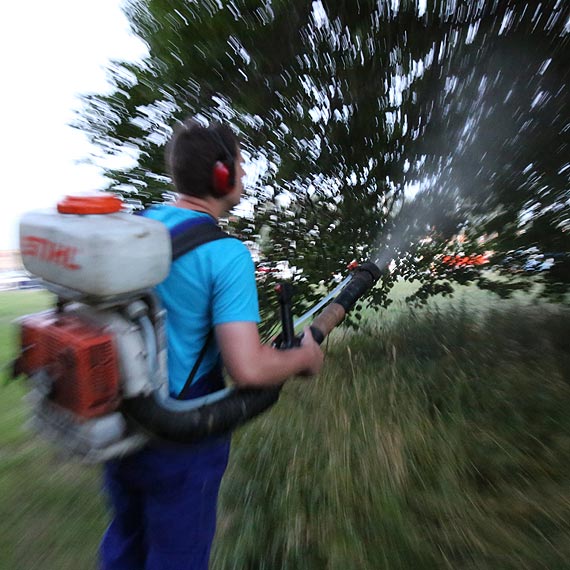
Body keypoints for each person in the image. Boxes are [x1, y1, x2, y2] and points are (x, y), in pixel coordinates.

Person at [100, 118, 324, 570]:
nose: (244, 175)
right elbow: (248, 368)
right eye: (240, 165)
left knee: (126, 541)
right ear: (221, 175)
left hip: (121, 423)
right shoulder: (226, 254)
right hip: (180, 432)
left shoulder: (140, 227)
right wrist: (304, 356)